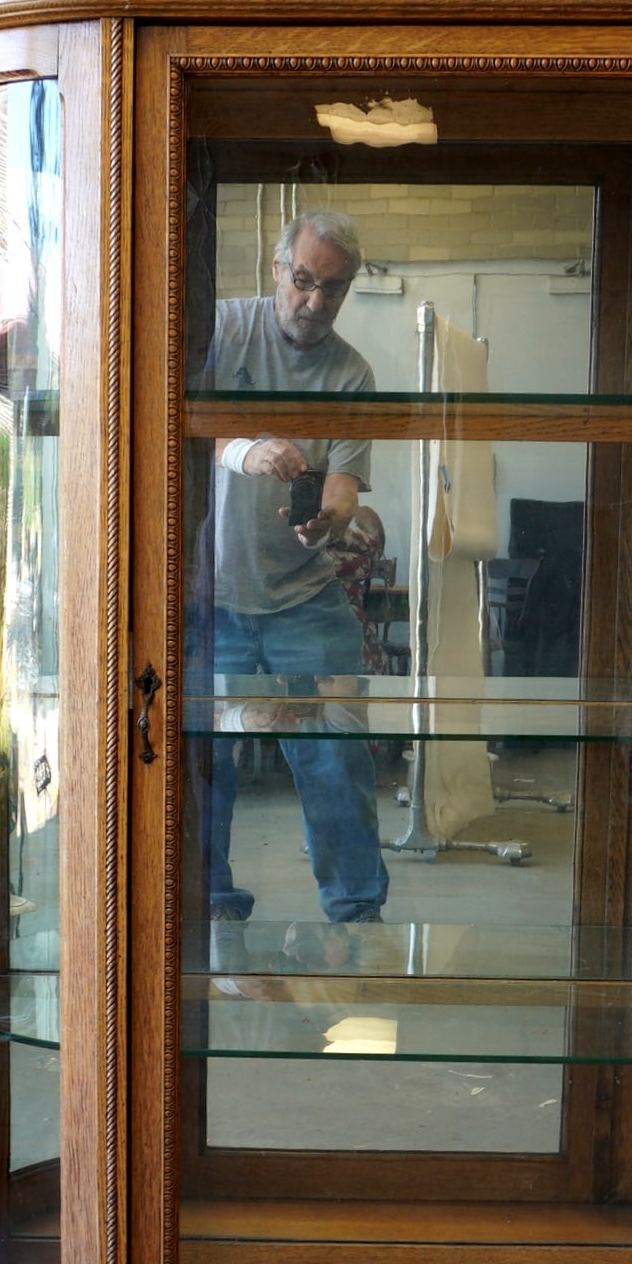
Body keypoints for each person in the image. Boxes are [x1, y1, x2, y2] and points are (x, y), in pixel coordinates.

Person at [199, 209, 390, 925]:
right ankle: (206, 900)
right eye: (303, 281)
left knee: (336, 754)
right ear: (277, 269)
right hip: (207, 596)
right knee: (197, 759)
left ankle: (355, 912)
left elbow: (344, 483)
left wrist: (330, 517)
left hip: (302, 596)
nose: (314, 303)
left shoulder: (352, 374)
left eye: (332, 290)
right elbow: (170, 414)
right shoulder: (223, 328)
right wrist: (243, 448)